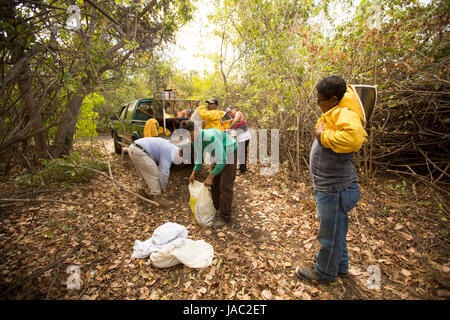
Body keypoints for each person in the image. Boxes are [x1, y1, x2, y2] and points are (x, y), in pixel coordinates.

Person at [295, 75, 368, 283]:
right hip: (332, 187)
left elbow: (353, 139)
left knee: (329, 235)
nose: (318, 104)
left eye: (320, 100)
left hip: (336, 188)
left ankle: (325, 272)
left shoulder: (344, 113)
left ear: (334, 99)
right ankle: (340, 267)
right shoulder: (336, 112)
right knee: (337, 230)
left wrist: (322, 136)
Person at [181, 120, 237, 229]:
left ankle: (225, 216)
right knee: (215, 184)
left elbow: (223, 160)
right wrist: (194, 172)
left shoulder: (210, 137)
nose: (190, 139)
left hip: (229, 151)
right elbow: (200, 157)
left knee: (225, 185)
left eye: (190, 135)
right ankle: (216, 207)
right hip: (217, 153)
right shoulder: (195, 139)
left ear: (196, 130)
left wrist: (210, 176)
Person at [128, 137, 183, 207]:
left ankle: (141, 191)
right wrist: (163, 187)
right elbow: (163, 172)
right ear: (180, 154)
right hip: (139, 151)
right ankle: (158, 198)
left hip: (134, 148)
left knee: (146, 172)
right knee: (154, 174)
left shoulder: (174, 148)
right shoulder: (170, 152)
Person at [226, 107, 251, 174]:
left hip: (245, 136)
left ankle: (243, 169)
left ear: (234, 110)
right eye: (229, 114)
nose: (230, 114)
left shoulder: (239, 113)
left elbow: (236, 120)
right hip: (240, 138)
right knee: (241, 152)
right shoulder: (234, 120)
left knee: (243, 153)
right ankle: (242, 167)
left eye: (231, 112)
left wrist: (230, 129)